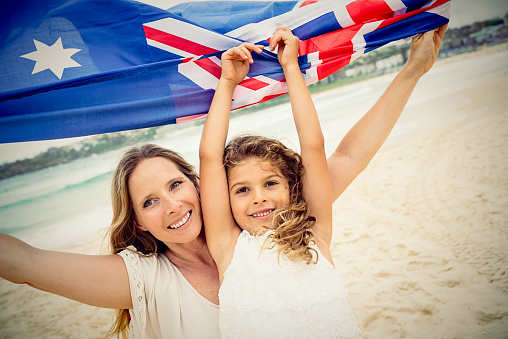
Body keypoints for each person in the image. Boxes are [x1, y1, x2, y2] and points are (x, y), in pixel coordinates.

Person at [0, 24, 447, 338]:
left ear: (198, 188)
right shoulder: (210, 254)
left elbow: (333, 152)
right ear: (136, 222)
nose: (172, 205)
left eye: (175, 186)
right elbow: (25, 263)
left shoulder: (306, 229)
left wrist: (412, 69)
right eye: (150, 202)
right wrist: (226, 85)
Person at [199, 27, 360, 337]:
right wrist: (227, 81)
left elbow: (312, 146)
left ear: (290, 186)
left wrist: (291, 67)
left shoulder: (314, 231)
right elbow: (209, 157)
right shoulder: (227, 247)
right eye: (242, 190)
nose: (258, 198)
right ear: (226, 198)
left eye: (270, 183)